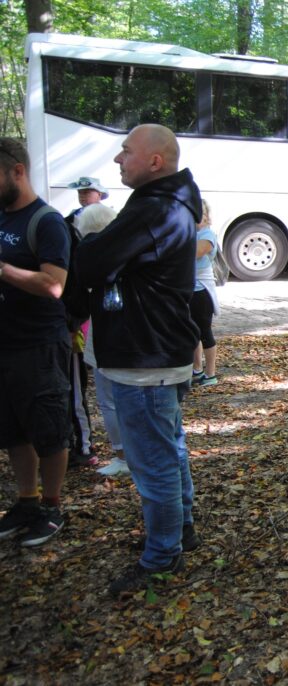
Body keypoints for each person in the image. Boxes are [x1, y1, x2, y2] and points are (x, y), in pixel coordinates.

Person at [74, 124, 204, 596]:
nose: (117, 160)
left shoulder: (157, 209)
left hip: (144, 356)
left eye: (125, 151)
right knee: (167, 449)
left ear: (155, 161)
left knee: (154, 462)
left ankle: (162, 554)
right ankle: (180, 530)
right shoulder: (162, 204)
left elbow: (88, 264)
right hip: (150, 351)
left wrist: (94, 250)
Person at [0, 137, 72, 547]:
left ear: (17, 171)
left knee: (49, 431)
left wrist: (4, 270)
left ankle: (51, 504)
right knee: (13, 431)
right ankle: (26, 501)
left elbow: (55, 286)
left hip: (39, 345)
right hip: (5, 344)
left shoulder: (46, 221)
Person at [69, 203, 131, 478]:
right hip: (126, 337)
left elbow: (78, 298)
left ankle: (122, 455)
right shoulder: (128, 252)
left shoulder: (90, 258)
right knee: (124, 398)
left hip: (104, 336)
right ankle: (130, 454)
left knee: (108, 399)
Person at [63, 177, 111, 468]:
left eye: (88, 191)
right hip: (82, 327)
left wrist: (73, 323)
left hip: (82, 329)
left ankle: (83, 445)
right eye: (80, 192)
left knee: (80, 389)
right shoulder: (68, 224)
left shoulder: (109, 232)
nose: (83, 195)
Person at [190, 200, 220, 387]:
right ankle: (196, 368)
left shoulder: (207, 235)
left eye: (199, 214)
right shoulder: (189, 233)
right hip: (187, 289)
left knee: (204, 332)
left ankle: (211, 372)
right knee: (191, 332)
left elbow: (196, 252)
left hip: (202, 290)